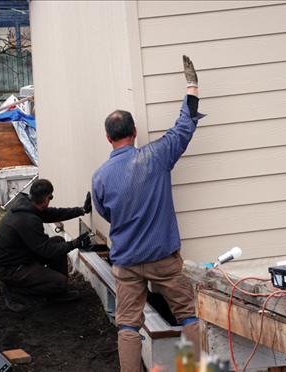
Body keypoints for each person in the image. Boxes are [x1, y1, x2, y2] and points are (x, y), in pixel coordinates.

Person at [92, 55, 206, 371]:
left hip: (126, 262)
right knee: (188, 314)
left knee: (127, 324)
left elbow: (105, 213)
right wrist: (192, 87)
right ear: (135, 131)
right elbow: (185, 126)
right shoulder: (155, 156)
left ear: (108, 138)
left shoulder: (100, 176)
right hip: (163, 260)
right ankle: (190, 367)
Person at [0, 179, 93, 312]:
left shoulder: (27, 205)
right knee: (59, 282)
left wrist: (81, 210)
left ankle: (58, 293)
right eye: (50, 197)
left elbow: (53, 213)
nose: (50, 200)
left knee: (58, 241)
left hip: (20, 257)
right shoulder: (27, 220)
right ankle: (16, 291)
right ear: (46, 199)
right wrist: (76, 243)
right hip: (12, 269)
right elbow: (47, 251)